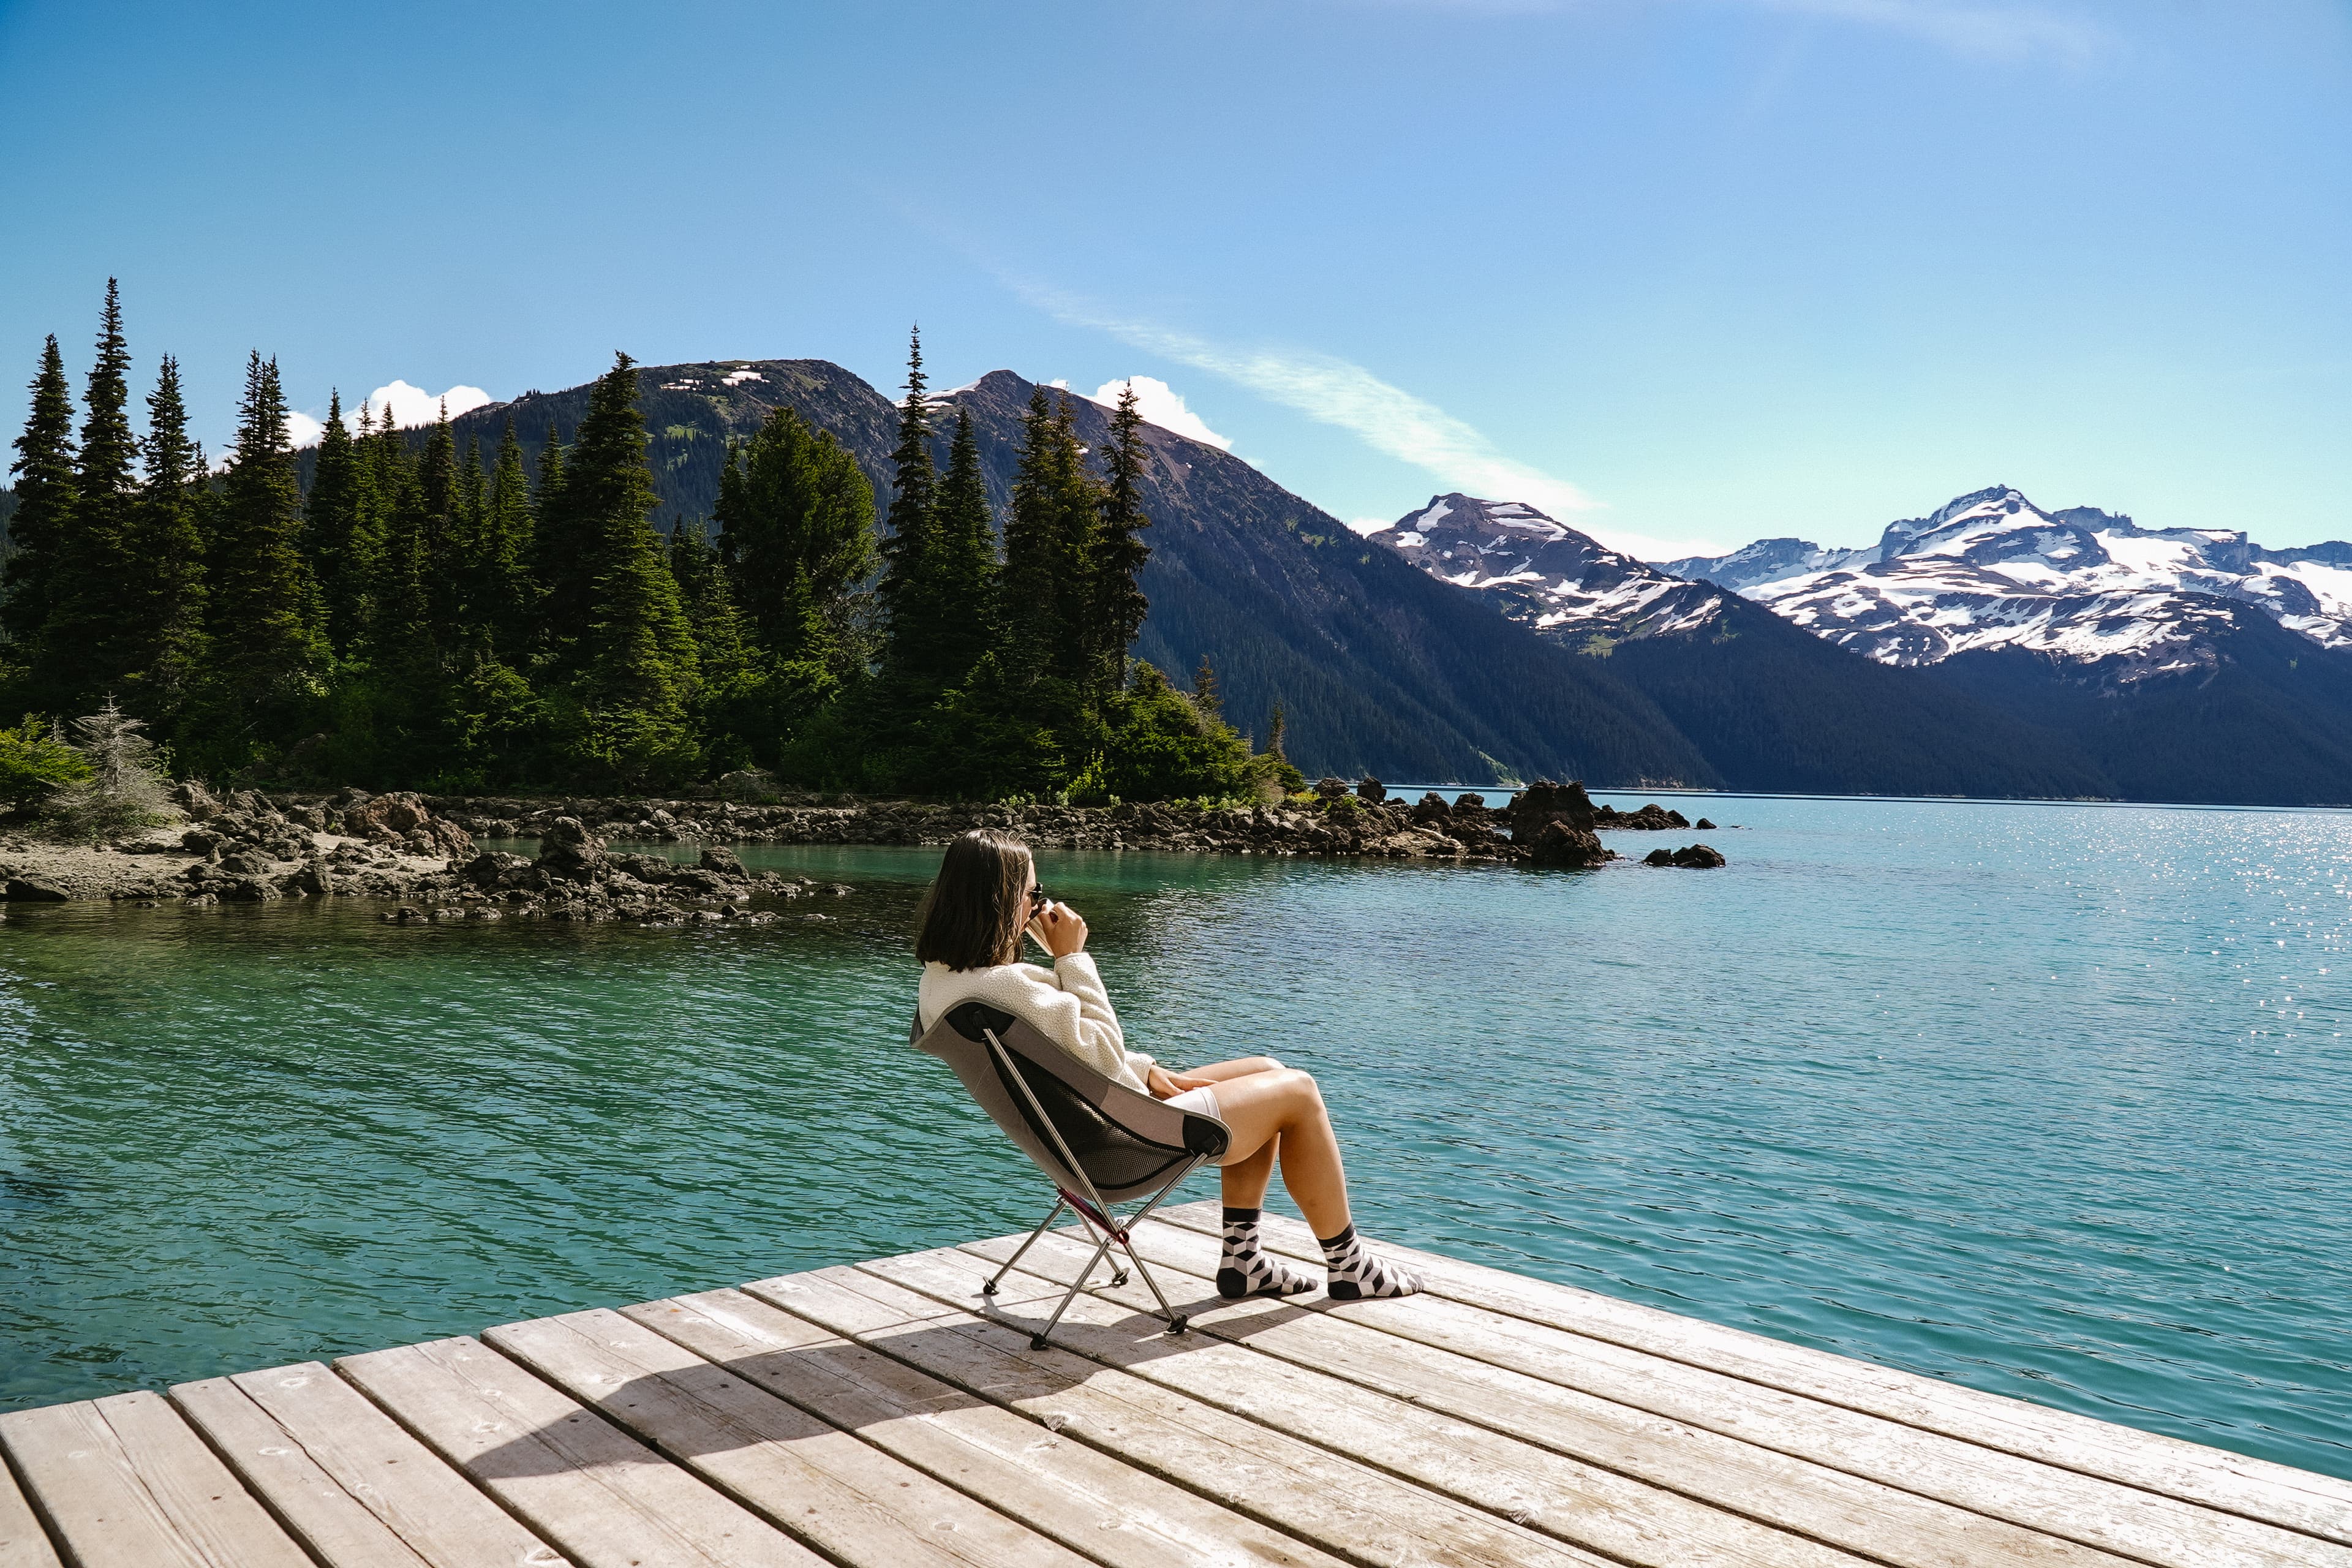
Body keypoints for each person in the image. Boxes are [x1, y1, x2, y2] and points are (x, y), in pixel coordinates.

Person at [914, 829, 1421, 1302]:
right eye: (1032, 891)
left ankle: (1245, 1263)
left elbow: (1062, 1057)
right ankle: (1349, 1265)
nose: (1037, 905)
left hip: (1078, 1139)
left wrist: (1148, 1069)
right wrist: (1072, 960)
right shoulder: (1006, 986)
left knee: (1265, 1068)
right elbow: (1103, 1053)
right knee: (1298, 1091)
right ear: (1001, 900)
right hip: (1118, 1148)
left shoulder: (945, 982)